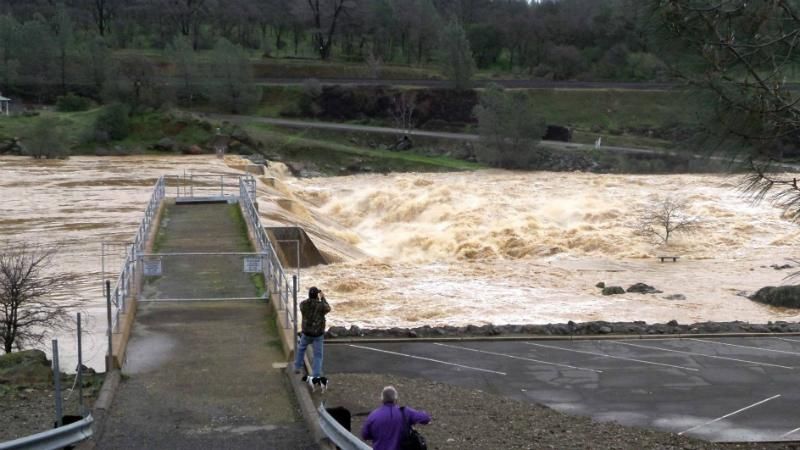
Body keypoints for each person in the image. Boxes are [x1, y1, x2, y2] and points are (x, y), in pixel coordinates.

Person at [362, 386, 431, 450]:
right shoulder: (405, 412)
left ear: (382, 399)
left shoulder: (373, 415)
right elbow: (426, 418)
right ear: (396, 399)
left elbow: (365, 435)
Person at [293, 286, 331, 379]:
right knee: (318, 355)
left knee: (301, 349)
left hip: (306, 332)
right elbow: (328, 308)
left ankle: (297, 367)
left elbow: (305, 304)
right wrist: (323, 298)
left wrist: (312, 298)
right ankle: (316, 375)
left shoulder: (303, 304)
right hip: (318, 334)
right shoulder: (321, 305)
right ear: (317, 295)